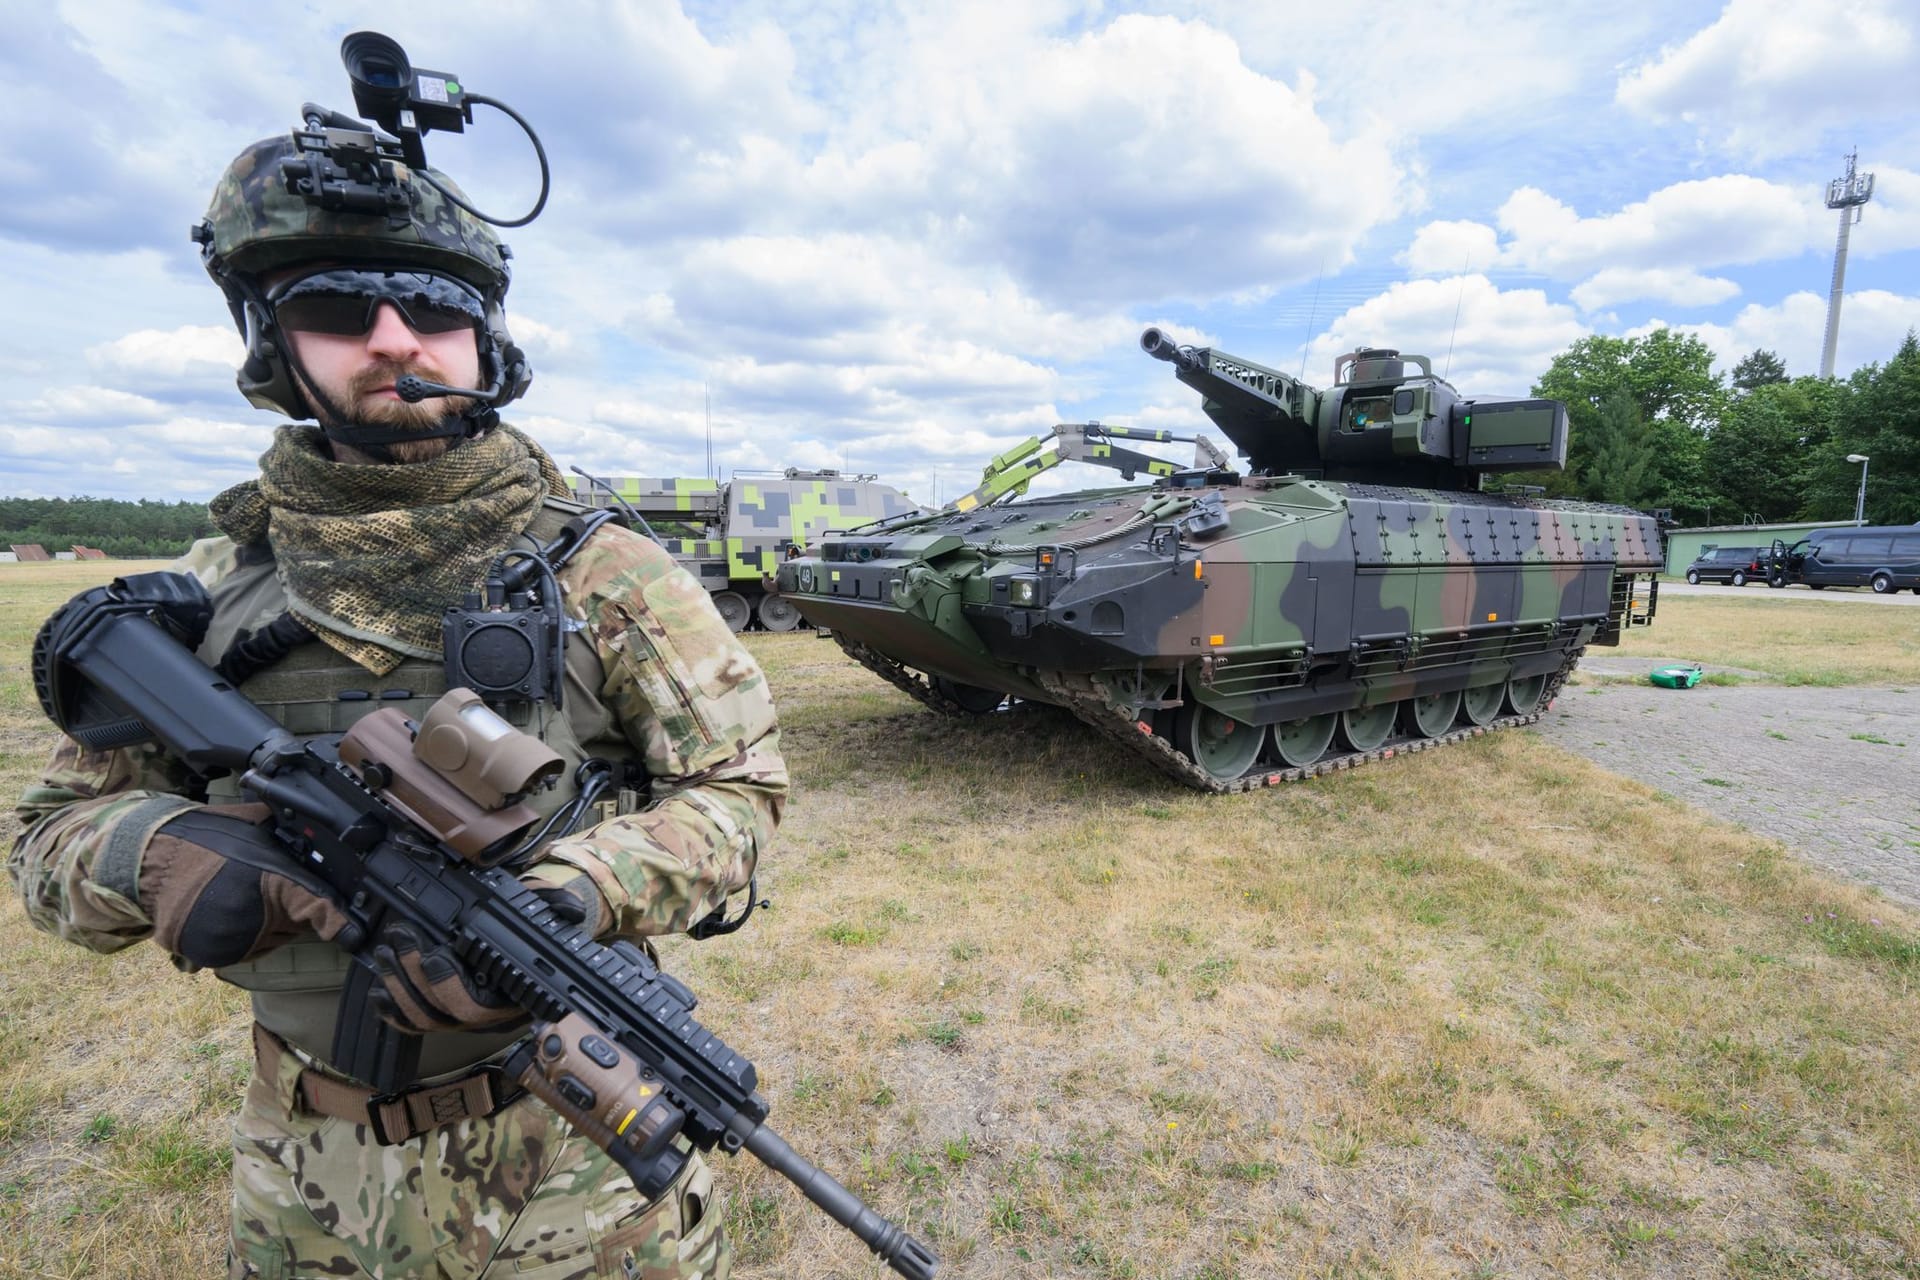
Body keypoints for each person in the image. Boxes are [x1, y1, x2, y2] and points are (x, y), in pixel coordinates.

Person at [8, 124, 786, 1279]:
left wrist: (575, 890)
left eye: (430, 307)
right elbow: (44, 847)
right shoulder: (213, 594)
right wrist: (172, 856)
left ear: (485, 338)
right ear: (272, 338)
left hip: (571, 1170)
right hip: (307, 1174)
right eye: (335, 307)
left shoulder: (604, 570)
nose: (392, 340)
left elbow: (739, 799)